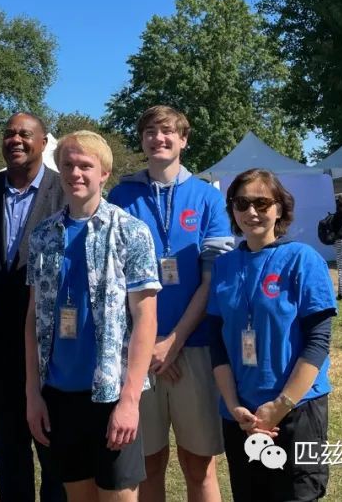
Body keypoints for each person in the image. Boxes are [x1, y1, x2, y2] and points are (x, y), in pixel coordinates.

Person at [25, 131, 160, 502]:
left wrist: (130, 400)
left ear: (104, 173)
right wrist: (32, 393)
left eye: (86, 165)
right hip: (58, 397)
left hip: (110, 395)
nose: (76, 173)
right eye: (67, 164)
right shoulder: (42, 236)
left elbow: (146, 320)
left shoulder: (132, 232)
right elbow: (33, 319)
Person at [106, 105, 231, 502]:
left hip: (193, 347)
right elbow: (113, 281)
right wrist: (151, 345)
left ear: (183, 140)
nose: (158, 138)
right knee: (148, 464)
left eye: (167, 132)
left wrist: (172, 342)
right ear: (142, 141)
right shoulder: (122, 196)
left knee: (199, 466)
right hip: (137, 352)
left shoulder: (208, 198)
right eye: (150, 132)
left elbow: (211, 281)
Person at [208, 168, 336, 502]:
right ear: (233, 210)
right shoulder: (224, 267)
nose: (252, 211)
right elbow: (216, 342)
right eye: (242, 203)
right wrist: (234, 406)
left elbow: (318, 340)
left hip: (297, 411)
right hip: (242, 416)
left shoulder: (302, 259)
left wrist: (280, 405)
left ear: (279, 208)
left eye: (262, 203)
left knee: (298, 494)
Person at [0, 112, 66, 502]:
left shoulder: (64, 190)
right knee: (8, 453)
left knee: (54, 456)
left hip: (53, 350)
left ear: (44, 143)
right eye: (9, 134)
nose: (16, 140)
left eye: (25, 134)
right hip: (0, 349)